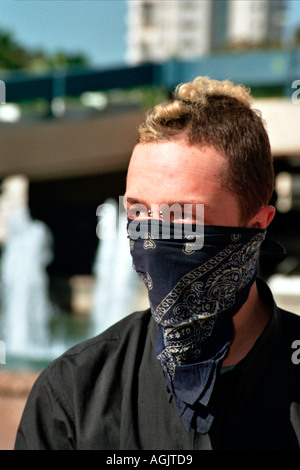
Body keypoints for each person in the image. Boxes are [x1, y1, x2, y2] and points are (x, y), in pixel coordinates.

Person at [15, 76, 300, 450]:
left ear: (256, 226)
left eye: (182, 215)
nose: (151, 235)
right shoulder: (74, 392)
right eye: (137, 211)